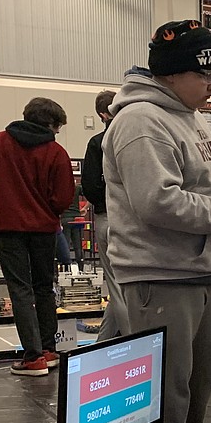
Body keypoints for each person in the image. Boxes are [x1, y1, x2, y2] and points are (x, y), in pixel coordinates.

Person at [105, 20, 211, 423]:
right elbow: (156, 202)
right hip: (159, 277)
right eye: (204, 75)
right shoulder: (141, 121)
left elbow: (198, 190)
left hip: (197, 273)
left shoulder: (189, 119)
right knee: (163, 399)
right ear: (171, 73)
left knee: (195, 389)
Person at [0, 98, 76, 376]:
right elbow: (64, 196)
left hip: (7, 226)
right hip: (44, 228)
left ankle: (33, 358)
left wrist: (1, 203)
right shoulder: (55, 151)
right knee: (45, 286)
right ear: (51, 124)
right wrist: (47, 211)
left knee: (20, 289)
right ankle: (47, 350)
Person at [81, 89, 126, 340]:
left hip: (108, 216)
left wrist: (104, 203)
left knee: (118, 288)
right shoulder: (135, 134)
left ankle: (126, 340)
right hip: (134, 218)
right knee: (126, 288)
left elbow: (90, 186)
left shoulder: (98, 142)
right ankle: (106, 341)